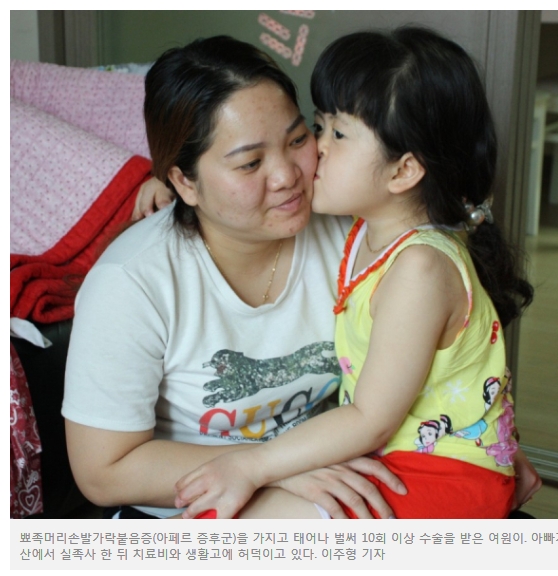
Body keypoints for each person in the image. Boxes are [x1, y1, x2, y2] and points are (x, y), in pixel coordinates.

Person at [173, 27, 535, 519]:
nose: (315, 149)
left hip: (442, 475)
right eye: (318, 126)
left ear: (403, 171)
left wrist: (251, 464)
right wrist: (177, 188)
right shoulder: (366, 230)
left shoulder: (420, 268)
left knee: (221, 517)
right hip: (394, 457)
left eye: (338, 134)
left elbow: (369, 419)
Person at [62, 35, 407, 520]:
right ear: (184, 182)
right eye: (250, 163)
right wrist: (272, 467)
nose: (287, 175)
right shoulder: (131, 282)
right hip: (187, 508)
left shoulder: (351, 233)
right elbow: (103, 471)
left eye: (298, 139)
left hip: (324, 476)